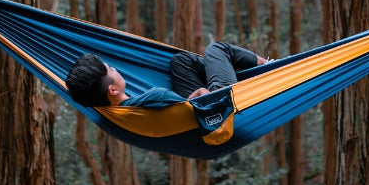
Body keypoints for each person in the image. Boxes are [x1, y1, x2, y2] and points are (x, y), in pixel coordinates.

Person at [66, 42, 268, 109]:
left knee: (180, 61)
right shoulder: (157, 96)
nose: (116, 70)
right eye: (111, 70)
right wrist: (201, 92)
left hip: (194, 111)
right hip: (219, 106)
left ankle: (234, 73)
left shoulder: (109, 110)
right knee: (215, 49)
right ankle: (267, 65)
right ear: (112, 89)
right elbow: (194, 107)